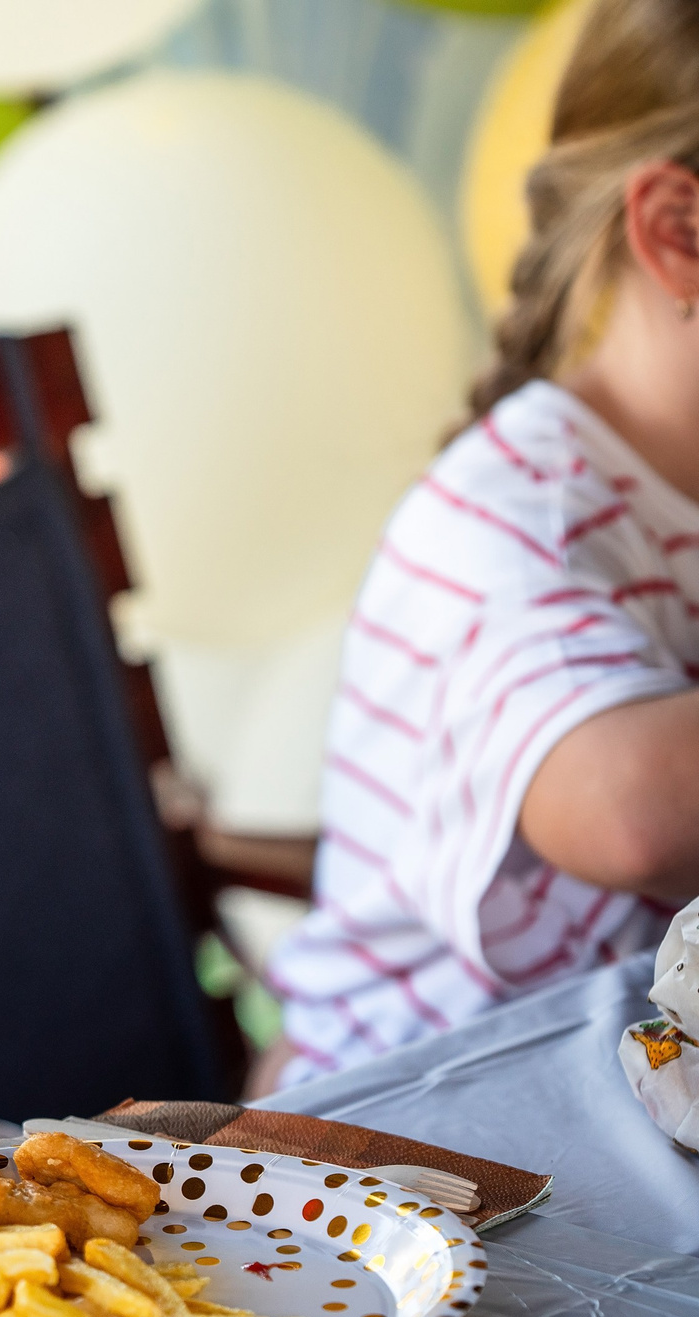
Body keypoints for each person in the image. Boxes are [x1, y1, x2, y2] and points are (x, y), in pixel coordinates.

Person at [268, 0, 699, 1084]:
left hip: (624, 1101)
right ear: (678, 234)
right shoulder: (511, 510)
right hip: (390, 1157)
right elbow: (627, 811)